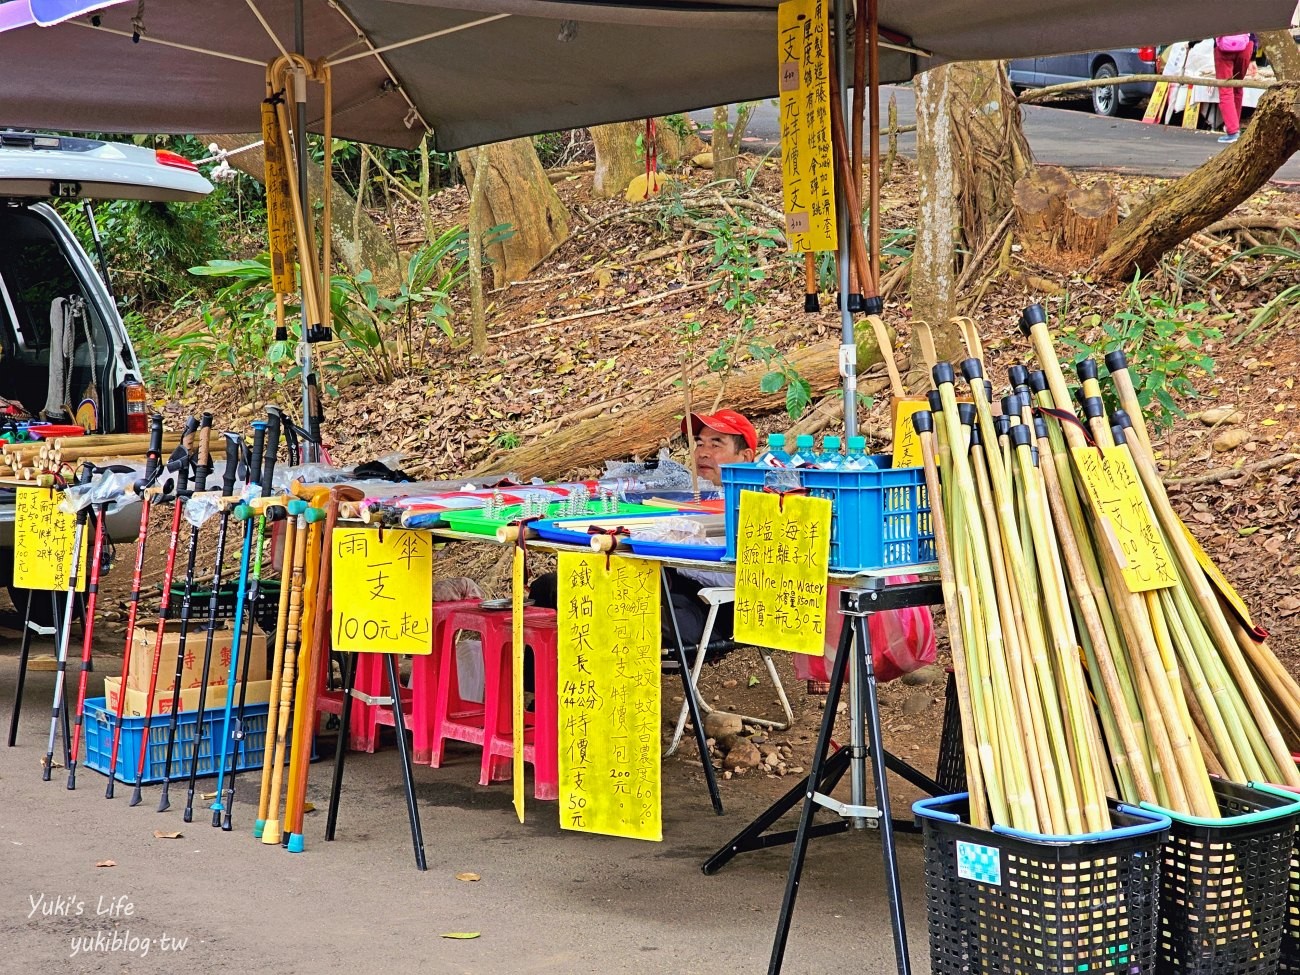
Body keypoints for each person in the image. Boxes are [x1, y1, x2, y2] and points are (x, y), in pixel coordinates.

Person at [529, 409, 757, 657]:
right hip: (664, 589)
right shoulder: (691, 500)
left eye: (716, 444)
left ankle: (591, 688)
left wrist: (673, 556)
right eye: (699, 443)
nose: (703, 452)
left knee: (604, 613)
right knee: (550, 587)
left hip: (709, 608)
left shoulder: (757, 505)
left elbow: (737, 577)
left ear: (745, 456)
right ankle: (539, 690)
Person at [1214, 33, 1256, 144]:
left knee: (1225, 90)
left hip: (1223, 47)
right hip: (1245, 46)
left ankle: (1232, 131)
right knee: (1237, 86)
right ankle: (1234, 127)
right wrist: (1253, 58)